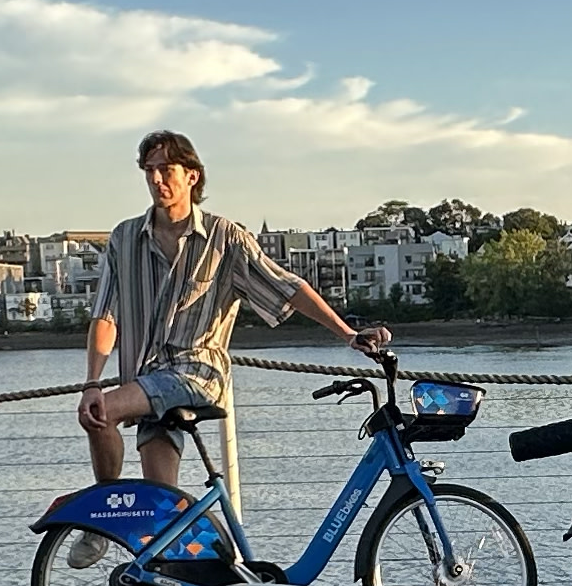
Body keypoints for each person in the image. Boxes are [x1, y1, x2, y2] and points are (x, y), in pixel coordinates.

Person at [74, 129, 390, 503]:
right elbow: (105, 315)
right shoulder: (124, 239)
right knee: (162, 503)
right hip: (146, 379)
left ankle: (100, 514)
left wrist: (347, 334)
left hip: (196, 373)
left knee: (104, 412)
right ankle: (184, 558)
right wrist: (92, 380)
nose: (157, 179)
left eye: (166, 169)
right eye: (149, 171)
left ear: (192, 175)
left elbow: (287, 286)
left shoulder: (224, 237)